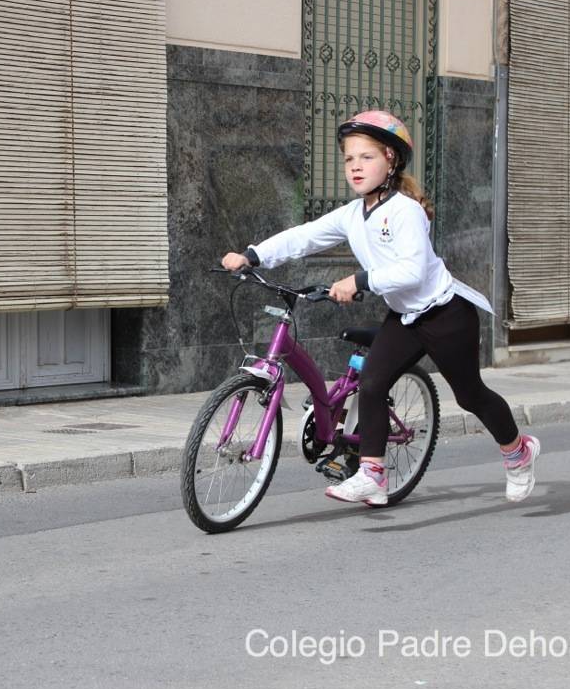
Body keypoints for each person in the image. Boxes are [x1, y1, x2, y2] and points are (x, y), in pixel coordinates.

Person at [220, 110, 539, 506]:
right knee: (371, 384)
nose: (355, 166)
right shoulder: (354, 214)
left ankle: (518, 451)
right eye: (349, 159)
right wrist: (253, 255)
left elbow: (412, 270)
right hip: (404, 318)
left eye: (366, 157)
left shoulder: (406, 211)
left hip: (446, 315)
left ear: (390, 159)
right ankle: (372, 473)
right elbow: (305, 237)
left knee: (470, 395)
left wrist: (359, 282)